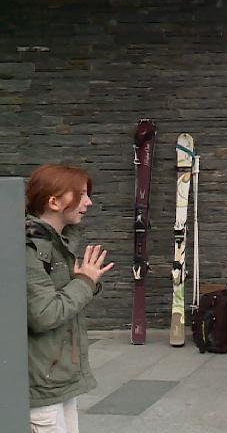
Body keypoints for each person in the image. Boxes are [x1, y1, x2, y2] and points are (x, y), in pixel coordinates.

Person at [25, 164, 113, 433]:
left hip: (57, 374)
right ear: (54, 201)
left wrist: (85, 281)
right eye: (81, 194)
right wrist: (85, 281)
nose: (88, 202)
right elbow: (45, 314)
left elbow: (64, 299)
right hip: (41, 380)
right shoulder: (29, 248)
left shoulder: (56, 243)